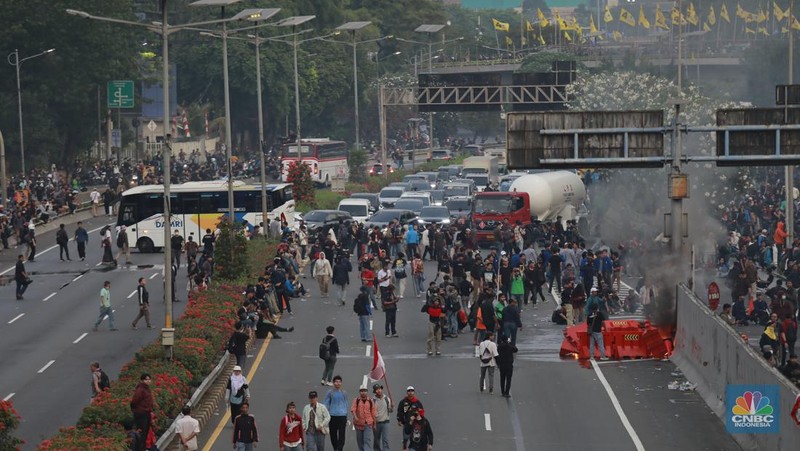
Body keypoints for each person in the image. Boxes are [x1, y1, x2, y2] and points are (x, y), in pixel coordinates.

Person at [323, 375, 349, 451]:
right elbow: (326, 404)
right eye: (336, 382)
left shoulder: (344, 393)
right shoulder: (330, 393)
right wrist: (325, 414)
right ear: (333, 383)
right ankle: (335, 448)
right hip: (332, 416)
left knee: (342, 434)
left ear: (341, 383)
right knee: (333, 434)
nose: (338, 383)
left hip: (342, 416)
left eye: (339, 382)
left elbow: (346, 404)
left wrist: (346, 416)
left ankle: (340, 449)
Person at [130, 373, 153, 451]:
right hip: (141, 413)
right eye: (146, 379)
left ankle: (143, 448)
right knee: (141, 433)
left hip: (147, 413)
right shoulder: (140, 389)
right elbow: (134, 401)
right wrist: (135, 409)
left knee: (145, 432)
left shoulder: (146, 388)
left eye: (149, 379)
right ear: (142, 380)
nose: (148, 381)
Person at [350, 385, 377, 451]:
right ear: (359, 392)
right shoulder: (356, 400)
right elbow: (353, 409)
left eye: (365, 391)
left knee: (367, 441)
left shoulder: (370, 401)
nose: (363, 392)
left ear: (367, 392)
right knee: (360, 442)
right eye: (362, 391)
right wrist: (355, 417)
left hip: (368, 424)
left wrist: (375, 424)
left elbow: (373, 413)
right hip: (358, 424)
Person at [372, 383, 392, 451]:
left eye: (380, 389)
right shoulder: (373, 401)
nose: (379, 390)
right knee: (376, 440)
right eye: (377, 389)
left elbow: (390, 410)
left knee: (385, 439)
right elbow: (371, 412)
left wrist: (392, 407)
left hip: (385, 422)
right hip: (376, 423)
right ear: (375, 391)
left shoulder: (387, 399)